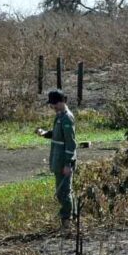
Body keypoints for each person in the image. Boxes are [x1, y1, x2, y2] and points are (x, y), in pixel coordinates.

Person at [36, 90, 77, 232]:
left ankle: (67, 224)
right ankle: (68, 221)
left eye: (53, 104)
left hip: (63, 162)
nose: (52, 107)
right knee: (62, 192)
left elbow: (71, 144)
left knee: (64, 192)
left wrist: (68, 164)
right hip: (57, 160)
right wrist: (45, 133)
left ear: (60, 102)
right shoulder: (59, 117)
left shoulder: (67, 118)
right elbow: (57, 135)